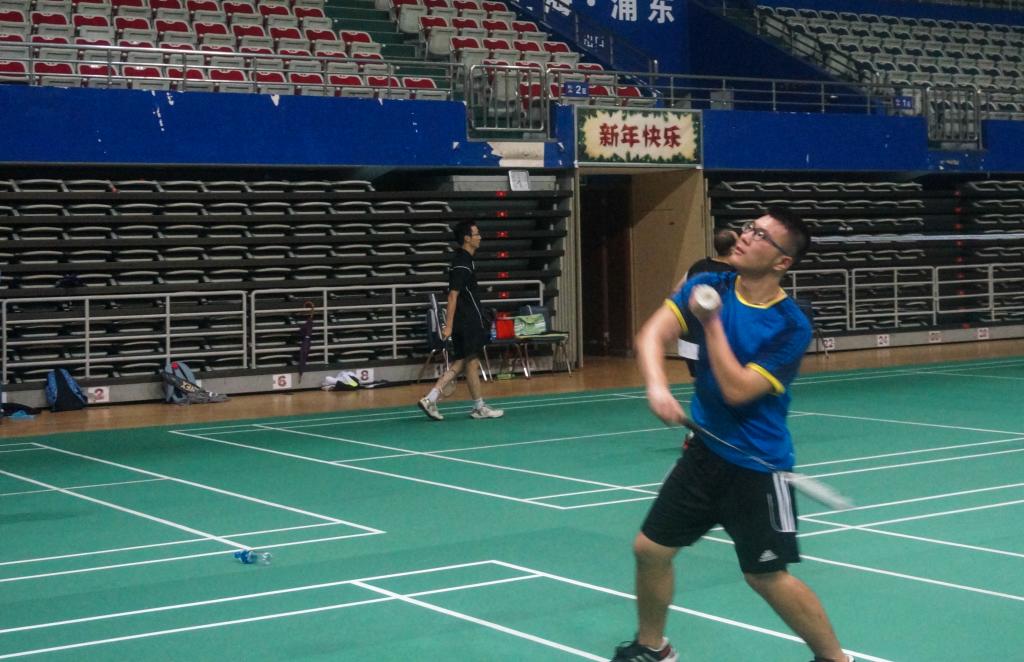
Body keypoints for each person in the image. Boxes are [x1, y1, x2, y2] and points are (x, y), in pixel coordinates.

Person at [611, 208, 853, 662]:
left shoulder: (790, 323)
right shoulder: (712, 287)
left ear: (782, 262)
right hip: (704, 455)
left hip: (757, 467)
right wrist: (657, 385)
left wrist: (712, 322)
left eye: (760, 235)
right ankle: (652, 647)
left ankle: (835, 659)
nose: (744, 237)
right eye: (748, 228)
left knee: (765, 576)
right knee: (650, 549)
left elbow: (738, 389)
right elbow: (652, 335)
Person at [417, 221, 504, 421]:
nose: (479, 236)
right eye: (476, 233)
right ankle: (433, 398)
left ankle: (475, 406)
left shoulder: (465, 260)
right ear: (467, 238)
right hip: (467, 321)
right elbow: (452, 295)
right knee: (464, 362)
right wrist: (448, 325)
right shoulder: (462, 264)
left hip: (465, 319)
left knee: (469, 362)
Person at [678, 228, 738, 377]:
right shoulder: (734, 274)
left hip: (688, 338)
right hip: (713, 339)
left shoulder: (697, 266)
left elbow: (677, 290)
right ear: (733, 249)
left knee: (701, 383)